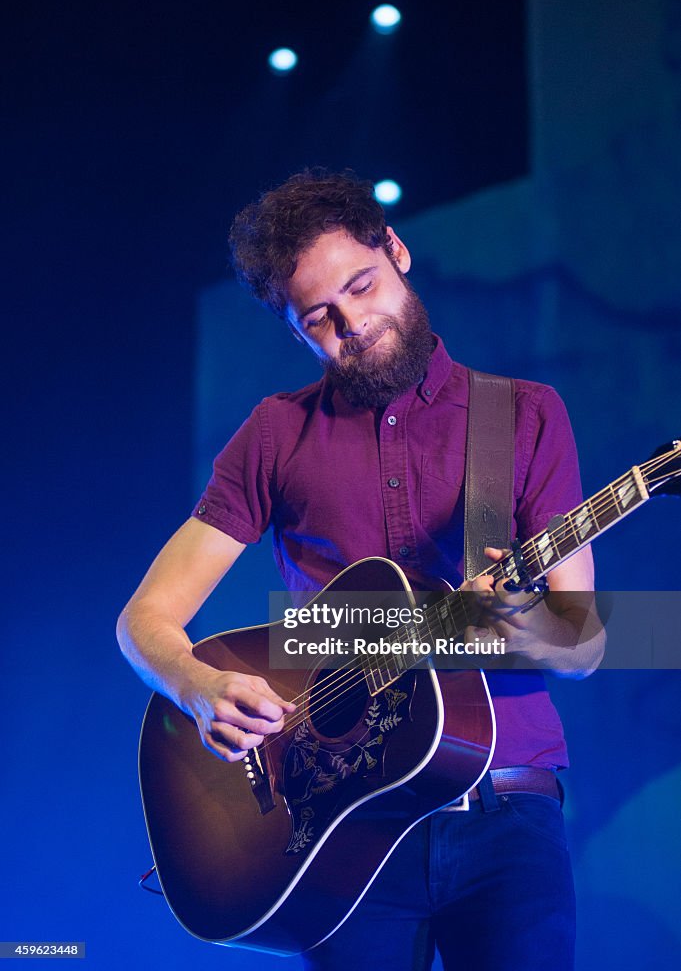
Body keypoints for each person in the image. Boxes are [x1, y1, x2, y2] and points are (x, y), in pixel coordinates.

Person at [117, 169, 604, 970]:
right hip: (342, 831)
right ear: (296, 332)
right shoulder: (274, 434)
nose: (354, 323)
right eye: (320, 317)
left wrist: (504, 628)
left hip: (504, 810)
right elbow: (144, 621)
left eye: (362, 285)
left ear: (397, 252)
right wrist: (195, 686)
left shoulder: (520, 414)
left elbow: (580, 646)